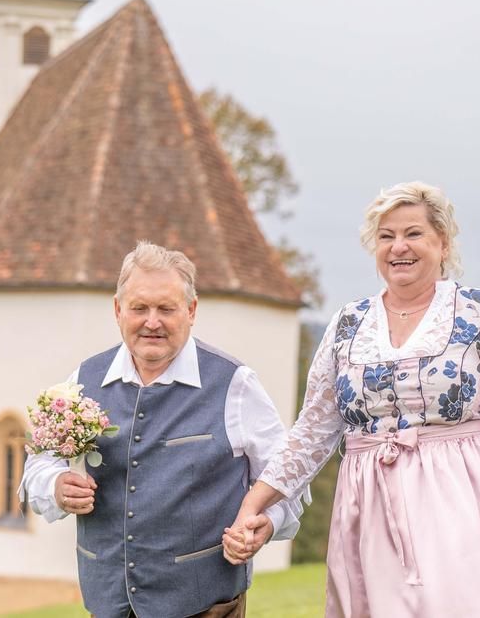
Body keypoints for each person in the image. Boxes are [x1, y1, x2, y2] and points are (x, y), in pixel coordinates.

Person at [222, 182, 480, 617]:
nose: (399, 247)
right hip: (370, 508)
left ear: (443, 242)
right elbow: (312, 432)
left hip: (463, 498)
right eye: (386, 236)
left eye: (413, 233)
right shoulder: (349, 323)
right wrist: (254, 505)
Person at [19, 241, 302, 618]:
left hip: (206, 608)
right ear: (118, 310)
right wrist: (55, 486)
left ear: (191, 310)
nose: (152, 321)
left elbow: (288, 477)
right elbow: (38, 464)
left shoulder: (235, 384)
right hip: (108, 605)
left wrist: (265, 524)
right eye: (139, 308)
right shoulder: (83, 381)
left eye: (166, 308)